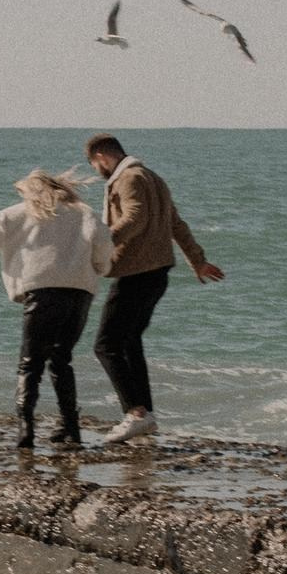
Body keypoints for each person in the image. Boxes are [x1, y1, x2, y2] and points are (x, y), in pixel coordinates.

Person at [0, 168, 114, 450]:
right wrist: (99, 268)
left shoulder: (19, 213)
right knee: (61, 359)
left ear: (29, 191)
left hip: (41, 291)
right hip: (79, 293)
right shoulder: (83, 212)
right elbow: (104, 248)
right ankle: (71, 428)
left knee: (30, 363)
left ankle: (26, 429)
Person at [84, 134, 225, 443]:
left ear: (101, 157)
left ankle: (135, 414)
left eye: (95, 166)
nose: (97, 172)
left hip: (137, 273)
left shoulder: (129, 178)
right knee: (130, 341)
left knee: (105, 345)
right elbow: (175, 224)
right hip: (158, 272)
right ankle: (145, 414)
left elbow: (135, 218)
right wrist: (198, 261)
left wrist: (100, 244)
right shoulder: (153, 177)